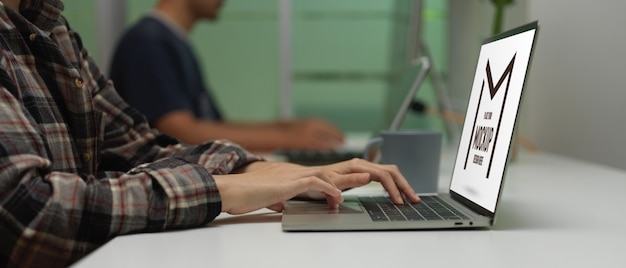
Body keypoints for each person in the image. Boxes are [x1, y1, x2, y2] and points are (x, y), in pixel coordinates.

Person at [0, 0, 420, 266]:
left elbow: (141, 144)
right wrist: (224, 186)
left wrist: (260, 169)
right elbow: (28, 211)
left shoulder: (52, 30)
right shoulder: (149, 41)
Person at [109, 0, 344, 152]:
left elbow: (213, 127)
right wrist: (289, 140)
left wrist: (288, 127)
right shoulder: (148, 43)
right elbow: (182, 132)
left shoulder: (174, 42)